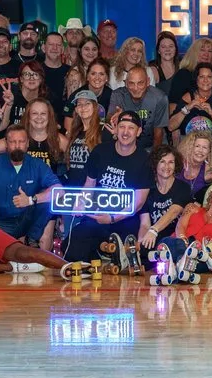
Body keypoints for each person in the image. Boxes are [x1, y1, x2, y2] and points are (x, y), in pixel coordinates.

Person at [66, 109, 157, 268]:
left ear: (139, 132)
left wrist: (112, 218)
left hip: (125, 220)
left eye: (131, 128)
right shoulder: (100, 151)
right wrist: (80, 202)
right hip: (97, 215)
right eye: (122, 127)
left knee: (128, 253)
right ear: (116, 129)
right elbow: (89, 185)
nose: (126, 132)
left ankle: (108, 258)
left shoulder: (144, 160)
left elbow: (138, 203)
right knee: (74, 242)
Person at [0, 124, 58, 246]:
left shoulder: (37, 165)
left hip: (26, 220)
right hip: (0, 222)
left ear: (27, 144)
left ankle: (31, 239)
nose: (17, 146)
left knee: (49, 200)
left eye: (21, 142)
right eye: (13, 142)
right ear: (6, 143)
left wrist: (31, 200)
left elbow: (59, 190)